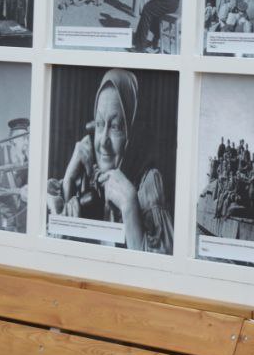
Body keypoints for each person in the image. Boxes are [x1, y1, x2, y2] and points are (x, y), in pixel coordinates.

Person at [55, 69, 174, 253]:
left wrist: (129, 207)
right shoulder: (94, 176)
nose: (102, 141)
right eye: (100, 124)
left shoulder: (149, 183)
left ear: (132, 132)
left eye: (116, 127)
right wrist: (69, 179)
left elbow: (158, 270)